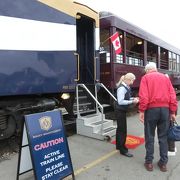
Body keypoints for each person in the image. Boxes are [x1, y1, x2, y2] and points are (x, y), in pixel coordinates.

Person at [139, 62, 178, 172]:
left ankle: (149, 162)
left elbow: (144, 96)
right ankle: (163, 163)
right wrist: (173, 111)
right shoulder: (165, 78)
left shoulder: (145, 78)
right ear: (155, 69)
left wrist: (142, 110)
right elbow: (172, 96)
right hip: (165, 110)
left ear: (147, 70)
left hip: (151, 110)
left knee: (149, 136)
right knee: (163, 137)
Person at [115, 73, 139, 157]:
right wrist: (132, 101)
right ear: (128, 79)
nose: (132, 83)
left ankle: (119, 146)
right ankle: (123, 150)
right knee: (122, 130)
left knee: (120, 129)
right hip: (120, 111)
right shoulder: (122, 88)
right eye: (132, 80)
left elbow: (126, 98)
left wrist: (133, 99)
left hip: (121, 111)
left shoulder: (124, 87)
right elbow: (120, 101)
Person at [165, 74, 177, 156]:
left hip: (168, 111)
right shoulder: (170, 87)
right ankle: (171, 148)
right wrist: (173, 112)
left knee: (168, 130)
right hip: (170, 110)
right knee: (170, 129)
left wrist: (172, 113)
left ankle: (170, 148)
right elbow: (173, 100)